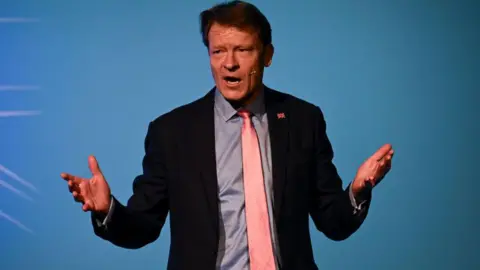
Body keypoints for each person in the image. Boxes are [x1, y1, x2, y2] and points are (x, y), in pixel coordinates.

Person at [61, 1, 394, 269]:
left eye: (242, 50)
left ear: (267, 55)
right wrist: (106, 210)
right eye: (218, 51)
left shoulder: (303, 120)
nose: (228, 64)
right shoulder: (172, 132)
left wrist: (357, 189)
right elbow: (143, 227)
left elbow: (332, 222)